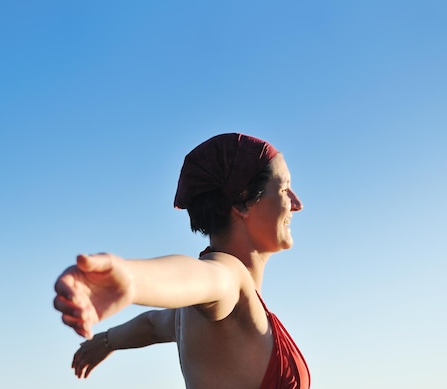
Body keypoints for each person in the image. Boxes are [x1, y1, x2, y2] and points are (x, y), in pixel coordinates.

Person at [54, 133, 310, 388]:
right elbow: (205, 277)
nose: (296, 203)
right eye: (284, 188)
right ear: (243, 201)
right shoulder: (230, 277)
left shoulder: (191, 314)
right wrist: (130, 278)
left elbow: (153, 324)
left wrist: (107, 340)